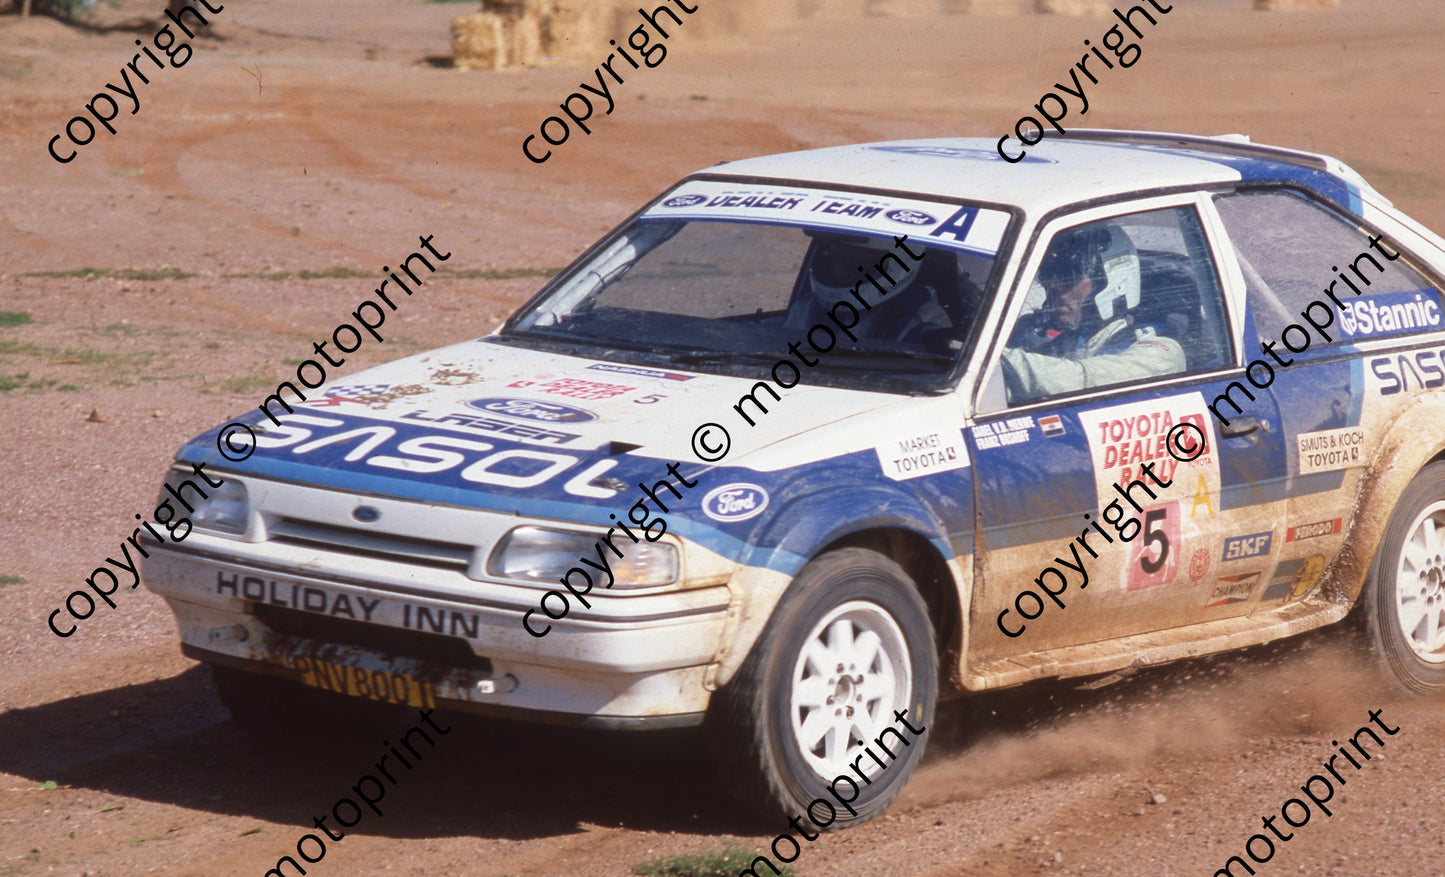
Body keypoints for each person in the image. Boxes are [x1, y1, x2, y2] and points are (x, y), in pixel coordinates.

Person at [1000, 222, 1184, 402]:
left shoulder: (1160, 353)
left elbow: (1081, 380)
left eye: (1069, 275)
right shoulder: (1063, 345)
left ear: (1111, 280)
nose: (1054, 285)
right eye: (1050, 274)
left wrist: (1002, 362)